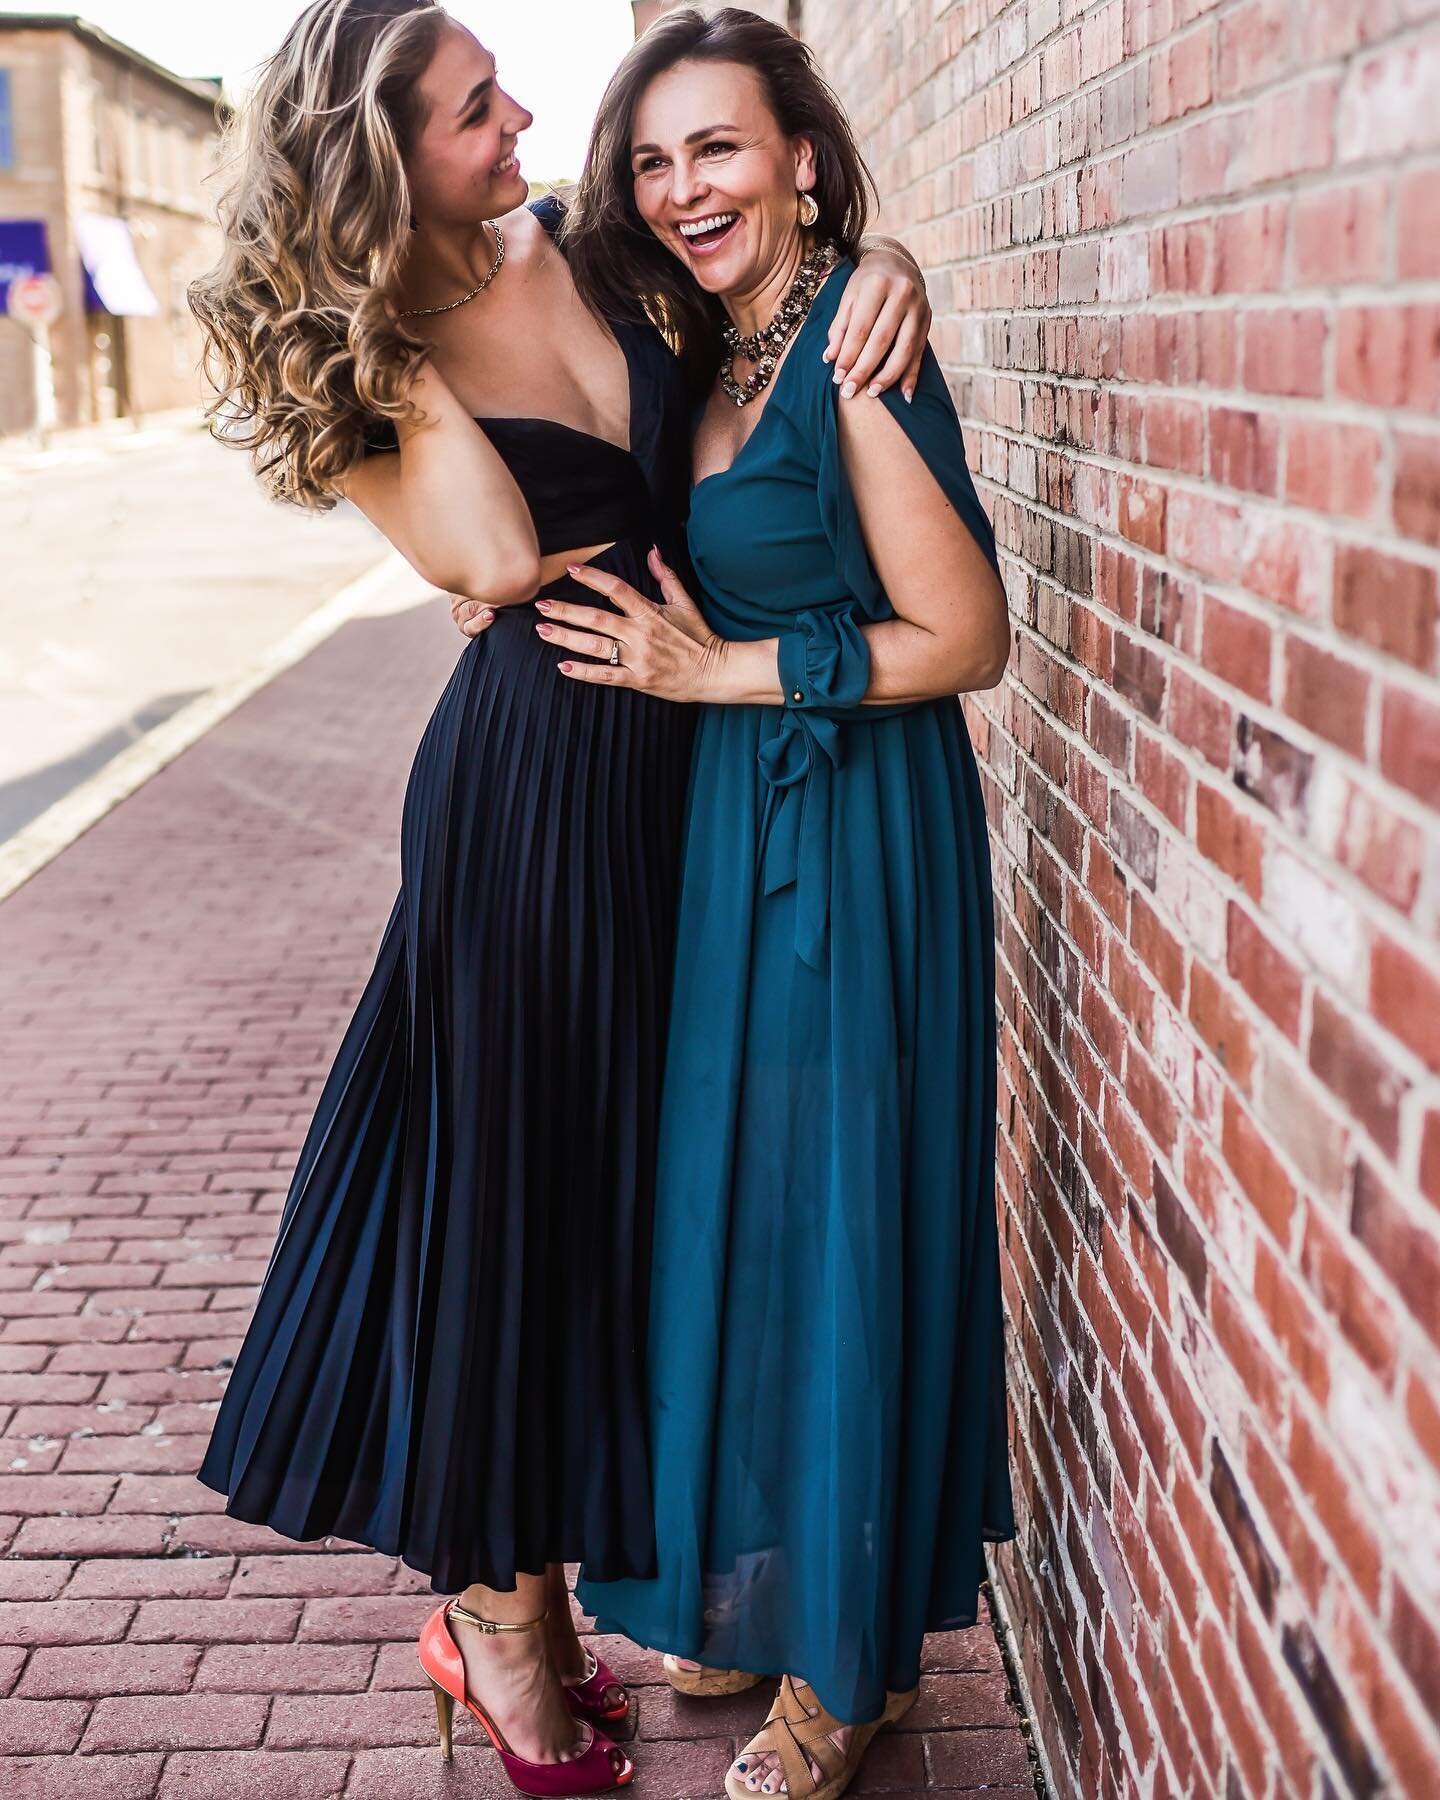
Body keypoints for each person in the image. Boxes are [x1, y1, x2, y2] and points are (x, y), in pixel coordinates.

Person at [185, 3, 932, 1792]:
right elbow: (503, 558)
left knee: (643, 1189)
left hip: (694, 751)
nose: (524, 111)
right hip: (535, 795)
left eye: (506, 79)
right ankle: (504, 1628)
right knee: (519, 1196)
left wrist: (883, 251)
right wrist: (383, 316)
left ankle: (641, 1576)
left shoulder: (583, 232)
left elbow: (754, 281)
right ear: (381, 167)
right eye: (470, 108)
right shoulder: (352, 360)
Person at [509, 12, 1018, 1798]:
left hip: (859, 839)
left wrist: (711, 673)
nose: (682, 187)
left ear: (803, 155)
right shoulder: (696, 347)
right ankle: (760, 1574)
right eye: (653, 160)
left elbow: (969, 641)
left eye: (718, 148)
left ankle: (850, 1661)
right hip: (728, 838)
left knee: (848, 1233)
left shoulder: (858, 361)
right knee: (735, 1217)